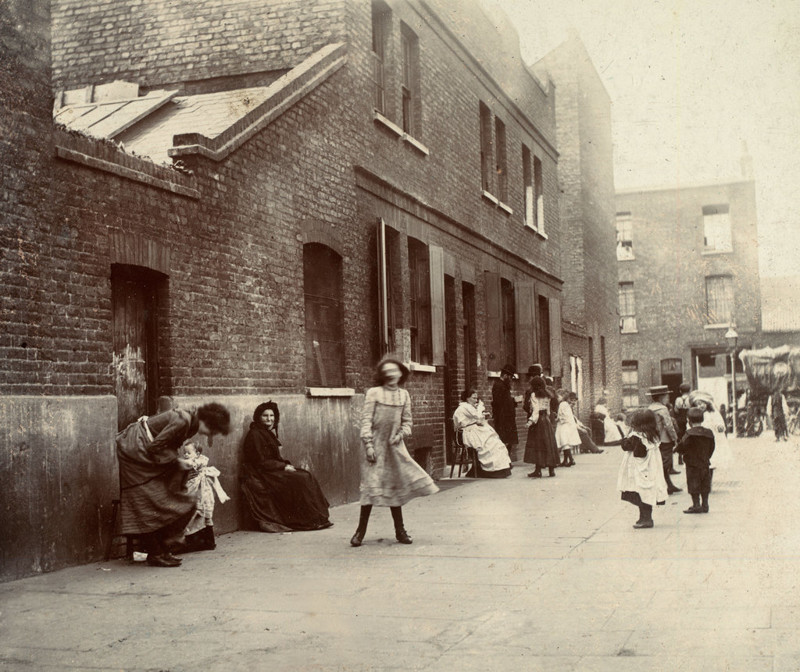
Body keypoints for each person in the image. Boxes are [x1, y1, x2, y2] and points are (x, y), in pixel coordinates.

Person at [115, 402, 231, 567]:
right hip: (134, 451)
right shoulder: (183, 421)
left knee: (160, 498)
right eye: (213, 429)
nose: (211, 434)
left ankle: (162, 549)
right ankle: (156, 552)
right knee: (145, 500)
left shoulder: (191, 423)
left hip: (144, 451)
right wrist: (178, 461)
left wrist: (178, 462)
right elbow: (155, 446)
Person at [351, 356, 439, 547]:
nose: (391, 375)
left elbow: (408, 422)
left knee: (395, 487)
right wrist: (368, 445)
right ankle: (360, 532)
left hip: (394, 446)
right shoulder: (373, 393)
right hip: (374, 446)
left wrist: (400, 435)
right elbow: (366, 421)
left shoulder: (404, 395)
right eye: (387, 372)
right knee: (370, 487)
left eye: (395, 371)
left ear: (401, 374)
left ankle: (400, 531)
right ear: (382, 374)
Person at [241, 401, 332, 533]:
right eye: (265, 416)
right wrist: (283, 467)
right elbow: (260, 462)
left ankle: (318, 518)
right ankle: (305, 521)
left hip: (272, 469)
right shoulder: (254, 435)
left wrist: (285, 465)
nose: (269, 419)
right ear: (258, 417)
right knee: (300, 479)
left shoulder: (266, 432)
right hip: (262, 473)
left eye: (271, 416)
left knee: (306, 475)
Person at [617, 409, 668, 528]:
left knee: (640, 493)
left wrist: (625, 438)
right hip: (651, 469)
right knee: (646, 494)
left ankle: (646, 519)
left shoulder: (637, 437)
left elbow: (627, 447)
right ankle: (644, 518)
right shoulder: (652, 435)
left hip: (639, 471)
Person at [180, 442, 230, 551]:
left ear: (197, 453)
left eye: (188, 452)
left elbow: (190, 464)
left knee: (203, 514)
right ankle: (205, 541)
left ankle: (208, 541)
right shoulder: (197, 460)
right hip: (200, 491)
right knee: (201, 515)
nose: (186, 455)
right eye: (184, 453)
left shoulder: (198, 461)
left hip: (202, 492)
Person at [453, 387, 512, 478]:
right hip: (468, 432)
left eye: (477, 398)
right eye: (474, 398)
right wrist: (480, 407)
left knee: (495, 442)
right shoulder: (464, 407)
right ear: (467, 398)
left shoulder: (470, 407)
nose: (476, 400)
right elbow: (477, 416)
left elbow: (477, 418)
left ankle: (500, 469)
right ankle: (489, 470)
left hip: (474, 430)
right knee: (488, 444)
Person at [674, 408, 715, 514]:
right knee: (705, 484)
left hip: (692, 464)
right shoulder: (709, 433)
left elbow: (682, 447)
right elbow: (712, 447)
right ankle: (705, 504)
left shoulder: (689, 434)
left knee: (693, 485)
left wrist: (678, 451)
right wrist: (706, 457)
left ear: (689, 421)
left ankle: (696, 505)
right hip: (705, 463)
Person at [647, 385, 681, 495]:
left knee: (660, 463)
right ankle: (663, 486)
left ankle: (669, 485)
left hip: (655, 439)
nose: (667, 398)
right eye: (666, 396)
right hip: (665, 439)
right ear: (661, 397)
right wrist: (675, 438)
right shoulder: (663, 409)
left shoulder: (650, 408)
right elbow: (668, 425)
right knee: (665, 464)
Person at [690, 391, 733, 476]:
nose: (700, 406)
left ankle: (708, 482)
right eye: (697, 404)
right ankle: (703, 481)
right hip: (700, 439)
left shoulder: (712, 413)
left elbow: (719, 422)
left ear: (706, 403)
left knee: (711, 462)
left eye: (701, 403)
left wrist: (720, 427)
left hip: (711, 439)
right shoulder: (696, 414)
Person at [524, 377, 560, 478]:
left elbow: (535, 411)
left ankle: (538, 470)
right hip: (546, 421)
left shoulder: (534, 395)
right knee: (548, 444)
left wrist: (530, 422)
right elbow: (548, 410)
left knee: (538, 445)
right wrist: (547, 420)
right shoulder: (548, 395)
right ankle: (551, 470)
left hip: (538, 422)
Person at [491, 364, 518, 461]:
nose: (511, 379)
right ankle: (504, 461)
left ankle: (507, 461)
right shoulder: (498, 385)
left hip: (508, 417)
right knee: (504, 440)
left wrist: (513, 401)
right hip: (503, 418)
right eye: (510, 377)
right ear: (505, 375)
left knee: (509, 440)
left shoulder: (504, 385)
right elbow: (498, 403)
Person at [555, 389, 580, 467]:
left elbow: (564, 416)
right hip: (567, 425)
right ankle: (566, 460)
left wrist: (558, 419)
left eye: (558, 396)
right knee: (565, 443)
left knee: (564, 442)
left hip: (564, 425)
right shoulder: (566, 404)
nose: (557, 398)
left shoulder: (563, 404)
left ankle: (571, 459)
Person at [674, 382, 692, 464]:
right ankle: (688, 454)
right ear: (689, 391)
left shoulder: (678, 399)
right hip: (688, 419)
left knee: (681, 437)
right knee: (689, 436)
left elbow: (676, 410)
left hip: (680, 420)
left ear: (680, 391)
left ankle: (680, 456)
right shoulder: (691, 399)